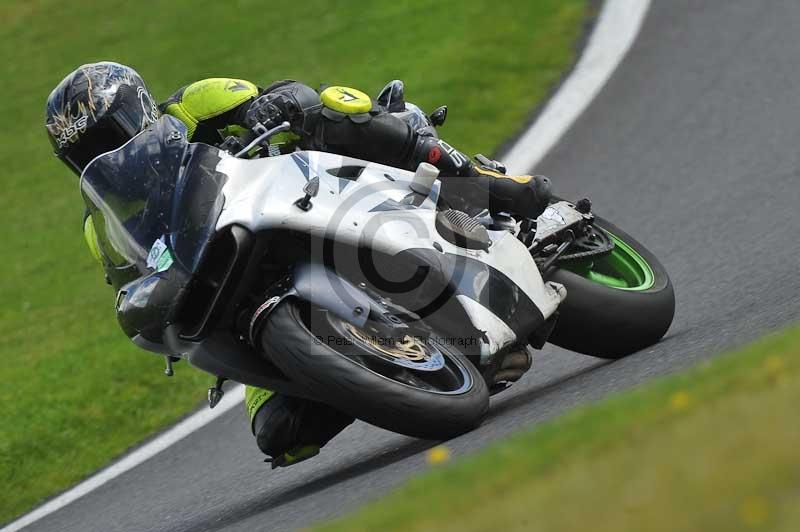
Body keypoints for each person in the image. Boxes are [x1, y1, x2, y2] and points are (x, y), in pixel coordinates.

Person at [45, 61, 552, 467]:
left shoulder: (193, 104)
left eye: (111, 135)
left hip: (301, 189)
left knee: (334, 110)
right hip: (237, 282)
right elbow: (135, 277)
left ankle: (480, 181)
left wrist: (276, 104)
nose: (109, 154)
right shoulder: (101, 227)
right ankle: (392, 369)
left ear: (139, 110)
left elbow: (286, 93)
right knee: (281, 434)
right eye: (87, 152)